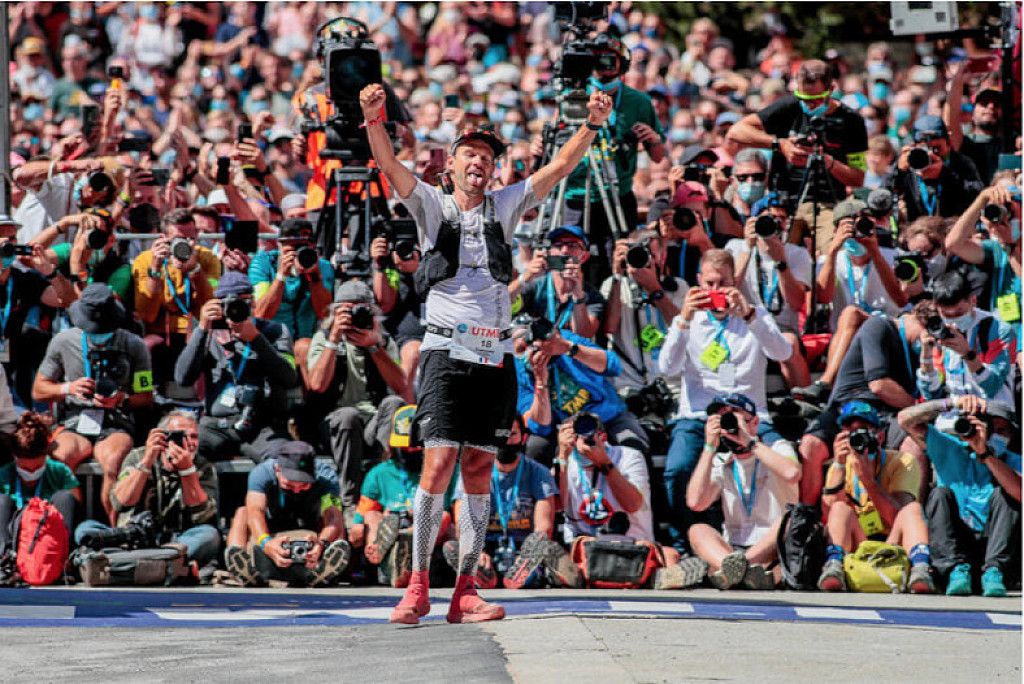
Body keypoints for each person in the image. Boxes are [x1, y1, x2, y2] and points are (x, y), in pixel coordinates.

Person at [360, 78, 614, 624]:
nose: (479, 161)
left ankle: (466, 589)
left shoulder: (505, 204)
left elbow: (559, 168)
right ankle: (417, 585)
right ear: (450, 164)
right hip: (445, 351)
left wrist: (592, 124)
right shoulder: (430, 203)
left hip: (495, 355)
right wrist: (374, 118)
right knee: (438, 463)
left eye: (488, 156)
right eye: (470, 153)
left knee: (479, 465)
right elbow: (388, 166)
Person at [657, 248, 793, 553]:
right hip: (698, 416)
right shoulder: (689, 319)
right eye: (710, 284)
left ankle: (771, 543)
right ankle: (687, 544)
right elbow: (666, 368)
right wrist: (684, 319)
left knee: (786, 462)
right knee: (678, 468)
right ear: (698, 282)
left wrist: (750, 316)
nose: (716, 291)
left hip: (750, 417)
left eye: (723, 283)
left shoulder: (754, 314)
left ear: (735, 282)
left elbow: (783, 353)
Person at [32, 284, 153, 526]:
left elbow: (147, 397)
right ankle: (62, 527)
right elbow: (38, 390)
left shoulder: (134, 345)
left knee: (115, 459)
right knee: (60, 457)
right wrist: (68, 388)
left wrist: (122, 399)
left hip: (115, 421)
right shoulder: (63, 342)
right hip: (75, 419)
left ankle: (115, 529)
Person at [556, 34, 666, 283]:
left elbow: (658, 157)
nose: (602, 63)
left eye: (609, 58)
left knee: (619, 259)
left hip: (618, 194)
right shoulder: (572, 97)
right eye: (595, 58)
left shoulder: (639, 101)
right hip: (576, 193)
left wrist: (652, 139)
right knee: (570, 261)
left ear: (623, 63)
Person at [727, 59, 867, 253]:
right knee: (773, 252)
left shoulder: (851, 120)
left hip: (826, 203)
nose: (808, 104)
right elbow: (736, 132)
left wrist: (827, 161)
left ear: (831, 89)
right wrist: (779, 144)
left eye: (815, 99)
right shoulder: (789, 107)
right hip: (784, 202)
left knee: (831, 253)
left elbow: (857, 178)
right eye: (803, 97)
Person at [798, 307, 929, 505]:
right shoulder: (879, 326)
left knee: (914, 444)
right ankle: (805, 513)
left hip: (887, 414)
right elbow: (879, 385)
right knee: (811, 445)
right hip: (849, 405)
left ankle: (913, 514)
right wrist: (918, 409)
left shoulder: (922, 353)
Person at [304, 280, 411, 511]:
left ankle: (387, 494)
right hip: (335, 424)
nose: (355, 316)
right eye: (348, 310)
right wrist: (334, 340)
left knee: (394, 403)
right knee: (348, 416)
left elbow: (401, 384)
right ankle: (350, 503)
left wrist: (374, 347)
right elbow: (317, 385)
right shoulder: (324, 338)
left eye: (361, 309)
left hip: (372, 425)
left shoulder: (382, 340)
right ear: (335, 312)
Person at [898, 395, 1021, 596]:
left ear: (1011, 436)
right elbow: (905, 419)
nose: (995, 435)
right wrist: (952, 403)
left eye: (1002, 430)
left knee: (1006, 494)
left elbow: (1020, 492)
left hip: (997, 552)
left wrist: (985, 454)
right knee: (939, 494)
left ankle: (994, 571)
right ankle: (954, 571)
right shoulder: (951, 448)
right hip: (957, 549)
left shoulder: (1015, 461)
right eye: (991, 428)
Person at [174, 272, 299, 463]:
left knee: (285, 459)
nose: (234, 309)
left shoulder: (275, 331)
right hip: (217, 426)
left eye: (241, 302)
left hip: (263, 426)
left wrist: (256, 339)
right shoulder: (208, 332)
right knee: (188, 452)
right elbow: (183, 378)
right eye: (228, 304)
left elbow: (289, 378)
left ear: (253, 303)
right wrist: (202, 329)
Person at [73, 411, 220, 571]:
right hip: (130, 539)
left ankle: (126, 563)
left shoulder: (202, 466)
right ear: (163, 437)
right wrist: (147, 461)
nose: (189, 443)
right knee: (85, 530)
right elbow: (121, 502)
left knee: (208, 535)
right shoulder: (139, 456)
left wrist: (187, 471)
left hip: (177, 541)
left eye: (194, 437)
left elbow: (202, 515)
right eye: (180, 436)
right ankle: (161, 564)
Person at [684, 394, 801, 590]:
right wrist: (708, 448)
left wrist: (749, 441)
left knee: (790, 520)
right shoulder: (721, 461)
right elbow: (696, 502)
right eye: (724, 419)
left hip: (772, 546)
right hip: (732, 549)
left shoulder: (777, 448)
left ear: (754, 423)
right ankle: (737, 570)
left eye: (735, 417)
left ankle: (731, 571)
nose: (731, 425)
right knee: (698, 530)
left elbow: (792, 473)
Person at [795, 198, 906, 405]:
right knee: (850, 314)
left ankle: (826, 383)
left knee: (851, 313)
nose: (855, 233)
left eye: (860, 226)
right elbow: (823, 297)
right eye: (848, 227)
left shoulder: (892, 256)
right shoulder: (830, 261)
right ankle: (828, 388)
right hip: (847, 336)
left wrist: (874, 251)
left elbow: (900, 300)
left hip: (887, 330)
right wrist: (833, 250)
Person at [817, 402, 934, 594]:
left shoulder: (902, 461)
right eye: (850, 431)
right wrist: (838, 465)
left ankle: (920, 569)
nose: (857, 437)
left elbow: (897, 516)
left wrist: (867, 479)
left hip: (892, 540)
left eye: (863, 430)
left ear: (879, 436)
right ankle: (833, 566)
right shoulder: (840, 465)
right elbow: (830, 514)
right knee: (839, 508)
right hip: (858, 542)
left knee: (912, 509)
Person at [448, 415, 573, 590]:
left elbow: (544, 525)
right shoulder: (474, 471)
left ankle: (525, 573)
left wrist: (528, 554)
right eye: (500, 434)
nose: (505, 440)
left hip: (525, 551)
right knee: (455, 546)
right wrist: (478, 551)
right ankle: (481, 573)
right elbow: (463, 518)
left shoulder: (539, 473)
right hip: (486, 548)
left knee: (543, 542)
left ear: (524, 437)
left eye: (512, 434)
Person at [515, 321, 650, 462]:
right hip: (563, 428)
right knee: (535, 450)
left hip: (608, 417)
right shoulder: (517, 371)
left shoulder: (562, 340)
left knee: (634, 446)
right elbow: (540, 427)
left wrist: (569, 348)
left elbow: (614, 366)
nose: (532, 348)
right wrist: (540, 380)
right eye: (522, 347)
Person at [224, 441, 352, 588]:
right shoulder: (261, 473)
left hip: (310, 524)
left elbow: (333, 515)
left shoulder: (328, 477)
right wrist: (265, 542)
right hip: (273, 522)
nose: (296, 490)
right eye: (289, 484)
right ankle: (240, 568)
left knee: (337, 519)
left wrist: (323, 542)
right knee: (242, 512)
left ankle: (327, 570)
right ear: (277, 470)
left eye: (304, 485)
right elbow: (255, 511)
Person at [726, 194, 813, 389]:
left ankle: (802, 398)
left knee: (788, 343)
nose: (775, 224)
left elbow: (796, 303)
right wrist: (748, 248)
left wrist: (781, 262)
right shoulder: (735, 247)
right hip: (742, 325)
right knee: (726, 345)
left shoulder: (797, 254)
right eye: (769, 219)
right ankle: (726, 394)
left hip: (781, 328)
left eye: (781, 219)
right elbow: (729, 290)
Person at [131, 208, 221, 394]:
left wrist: (195, 271)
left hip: (197, 329)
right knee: (144, 348)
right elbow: (147, 314)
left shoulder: (207, 258)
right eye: (178, 240)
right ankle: (144, 396)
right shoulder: (145, 260)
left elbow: (210, 305)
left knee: (205, 347)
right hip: (159, 331)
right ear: (163, 239)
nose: (184, 245)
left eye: (190, 239)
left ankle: (203, 403)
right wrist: (155, 271)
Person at [602, 226, 687, 399]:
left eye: (650, 254)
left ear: (663, 256)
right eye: (636, 253)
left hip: (672, 385)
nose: (643, 259)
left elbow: (684, 328)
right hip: (629, 385)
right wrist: (617, 275)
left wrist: (655, 290)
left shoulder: (678, 287)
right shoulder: (614, 286)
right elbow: (609, 328)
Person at [0, 412, 81, 584]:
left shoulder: (59, 471)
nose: (31, 473)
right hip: (16, 534)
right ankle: (5, 562)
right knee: (2, 502)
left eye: (37, 467)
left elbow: (76, 502)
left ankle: (64, 562)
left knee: (65, 498)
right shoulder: (5, 474)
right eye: (24, 468)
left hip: (47, 534)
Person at [0, 226, 75, 410]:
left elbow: (67, 301)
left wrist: (50, 272)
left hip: (11, 362)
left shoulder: (23, 279)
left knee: (37, 340)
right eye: (1, 238)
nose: (7, 244)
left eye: (12, 239)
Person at [916, 271, 1017, 406]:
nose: (953, 320)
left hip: (992, 409)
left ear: (973, 301)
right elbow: (931, 393)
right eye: (946, 314)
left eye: (959, 312)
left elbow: (992, 386)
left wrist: (968, 354)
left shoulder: (999, 330)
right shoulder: (939, 331)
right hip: (956, 410)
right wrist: (926, 356)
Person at [249, 217, 333, 375]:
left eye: (303, 246)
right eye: (293, 246)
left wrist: (314, 277)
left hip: (305, 343)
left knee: (304, 347)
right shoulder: (263, 263)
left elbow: (325, 314)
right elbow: (261, 314)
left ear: (313, 245)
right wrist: (281, 276)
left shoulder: (323, 267)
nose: (298, 252)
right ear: (280, 245)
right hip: (272, 341)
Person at [944, 184, 1021, 336]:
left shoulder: (1006, 246)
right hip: (1007, 338)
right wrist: (982, 199)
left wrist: (1010, 248)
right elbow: (954, 244)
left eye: (1010, 210)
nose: (1005, 217)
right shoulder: (997, 249)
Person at [511, 225, 604, 340]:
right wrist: (524, 278)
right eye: (558, 245)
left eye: (572, 245)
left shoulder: (592, 296)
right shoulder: (536, 285)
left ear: (584, 256)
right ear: (550, 253)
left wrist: (578, 295)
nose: (564, 251)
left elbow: (583, 336)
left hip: (568, 350)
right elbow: (502, 306)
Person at [889, 116, 984, 223]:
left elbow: (976, 197)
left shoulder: (961, 163)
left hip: (952, 227)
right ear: (913, 146)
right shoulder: (909, 162)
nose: (931, 154)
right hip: (916, 228)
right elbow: (887, 193)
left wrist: (944, 175)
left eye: (937, 148)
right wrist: (899, 171)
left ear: (949, 144)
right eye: (925, 148)